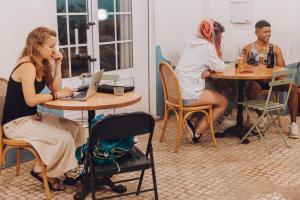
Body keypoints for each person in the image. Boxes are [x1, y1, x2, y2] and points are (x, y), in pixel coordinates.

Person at [2, 27, 86, 191]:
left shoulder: (42, 63)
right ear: (37, 46)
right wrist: (58, 95)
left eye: (55, 46)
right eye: (51, 46)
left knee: (76, 129)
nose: (55, 50)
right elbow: (31, 100)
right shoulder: (27, 66)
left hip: (32, 118)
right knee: (63, 138)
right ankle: (41, 171)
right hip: (15, 124)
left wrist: (58, 63)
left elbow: (56, 87)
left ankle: (68, 172)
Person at [242, 20, 299, 138]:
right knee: (250, 86)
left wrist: (279, 79)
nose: (268, 34)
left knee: (292, 86)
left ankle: (293, 124)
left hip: (272, 81)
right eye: (265, 31)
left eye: (269, 31)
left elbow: (282, 69)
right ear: (257, 32)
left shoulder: (276, 49)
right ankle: (263, 116)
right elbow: (242, 68)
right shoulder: (248, 48)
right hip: (256, 81)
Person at [175, 19, 228, 143]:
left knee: (209, 93)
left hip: (176, 93)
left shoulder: (191, 43)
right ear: (214, 35)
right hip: (189, 94)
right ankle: (196, 133)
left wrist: (207, 70)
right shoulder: (208, 47)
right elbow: (220, 67)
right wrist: (211, 68)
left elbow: (196, 64)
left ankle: (191, 122)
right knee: (223, 102)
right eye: (220, 37)